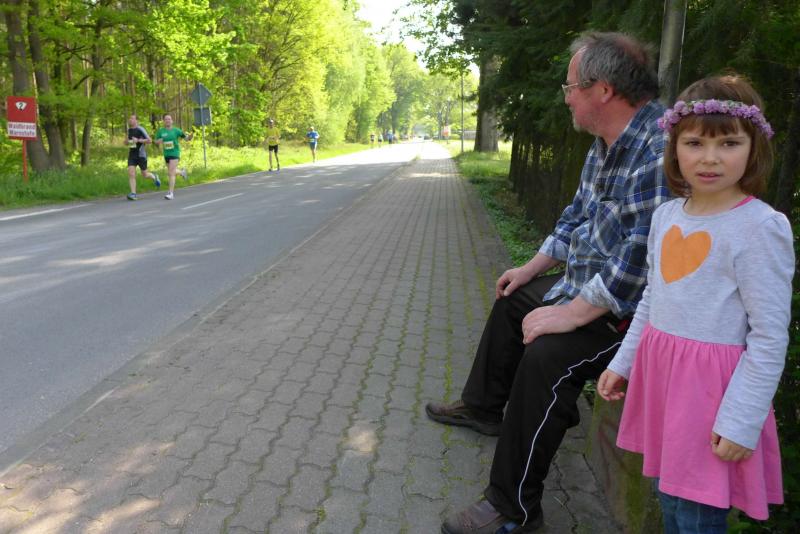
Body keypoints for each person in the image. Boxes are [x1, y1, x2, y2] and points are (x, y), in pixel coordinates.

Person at [426, 32, 671, 534]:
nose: (566, 98)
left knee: (547, 359)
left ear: (602, 90)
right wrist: (530, 269)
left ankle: (514, 508)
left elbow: (641, 260)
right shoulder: (605, 144)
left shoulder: (659, 148)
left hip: (631, 314)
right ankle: (485, 409)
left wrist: (571, 314)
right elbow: (576, 216)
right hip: (588, 289)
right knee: (513, 297)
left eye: (571, 87)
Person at [598, 75, 793, 533]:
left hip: (713, 400)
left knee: (698, 516)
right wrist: (624, 362)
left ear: (754, 148)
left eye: (729, 143)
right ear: (674, 148)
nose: (710, 158)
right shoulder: (667, 215)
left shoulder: (760, 227)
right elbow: (653, 298)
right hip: (665, 386)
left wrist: (742, 420)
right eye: (694, 143)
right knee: (670, 501)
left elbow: (769, 335)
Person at [154, 113, 192, 200]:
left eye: (169, 119)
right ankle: (182, 172)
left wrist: (189, 137)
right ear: (164, 121)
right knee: (172, 171)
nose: (167, 120)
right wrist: (159, 141)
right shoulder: (161, 131)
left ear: (172, 121)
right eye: (166, 119)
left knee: (171, 173)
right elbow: (155, 141)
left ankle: (171, 193)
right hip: (166, 154)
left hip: (175, 153)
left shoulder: (176, 130)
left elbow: (186, 138)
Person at [125, 114, 160, 201]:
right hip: (132, 155)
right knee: (131, 173)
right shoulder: (129, 130)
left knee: (145, 174)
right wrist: (127, 142)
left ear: (136, 121)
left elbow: (149, 140)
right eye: (130, 118)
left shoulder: (140, 129)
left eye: (132, 118)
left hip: (141, 155)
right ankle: (133, 193)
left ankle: (154, 177)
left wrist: (138, 140)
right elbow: (126, 142)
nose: (130, 120)